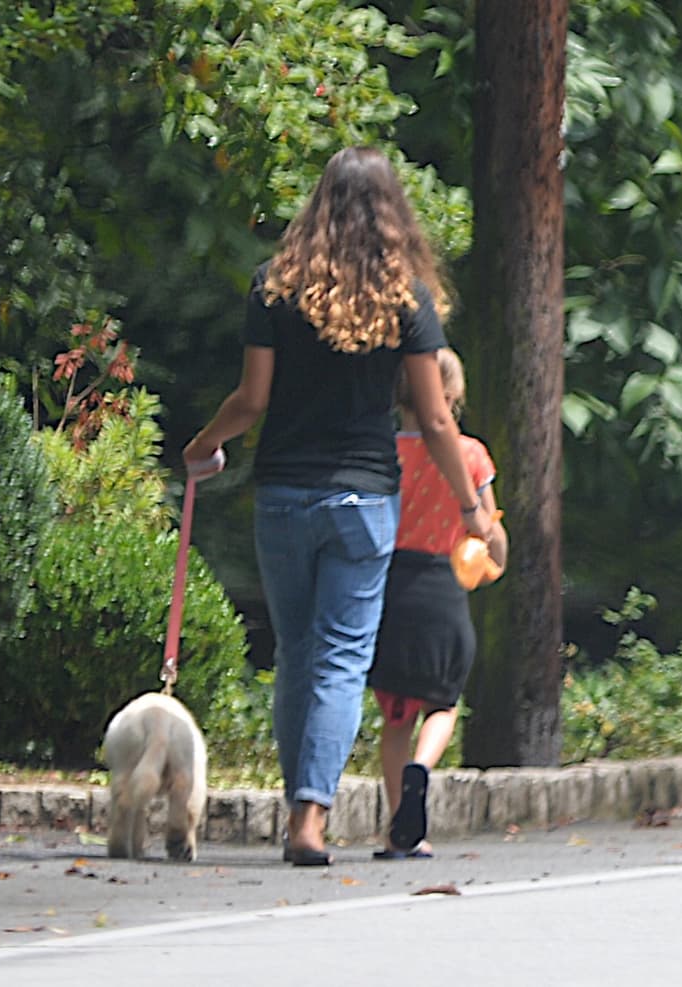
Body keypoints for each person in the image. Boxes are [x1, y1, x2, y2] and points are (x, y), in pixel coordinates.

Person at [182, 147, 491, 865]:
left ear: (318, 206)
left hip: (285, 495)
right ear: (393, 214)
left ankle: (302, 812)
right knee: (341, 661)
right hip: (364, 500)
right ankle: (311, 819)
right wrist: (473, 503)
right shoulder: (405, 296)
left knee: (297, 653)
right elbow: (439, 419)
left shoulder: (273, 287)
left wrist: (201, 445)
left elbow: (251, 400)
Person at [368, 347, 508, 859]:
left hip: (388, 586)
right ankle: (420, 772)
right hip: (443, 585)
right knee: (443, 702)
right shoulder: (470, 456)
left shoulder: (380, 448)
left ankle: (395, 830)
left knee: (396, 715)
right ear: (449, 395)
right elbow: (490, 535)